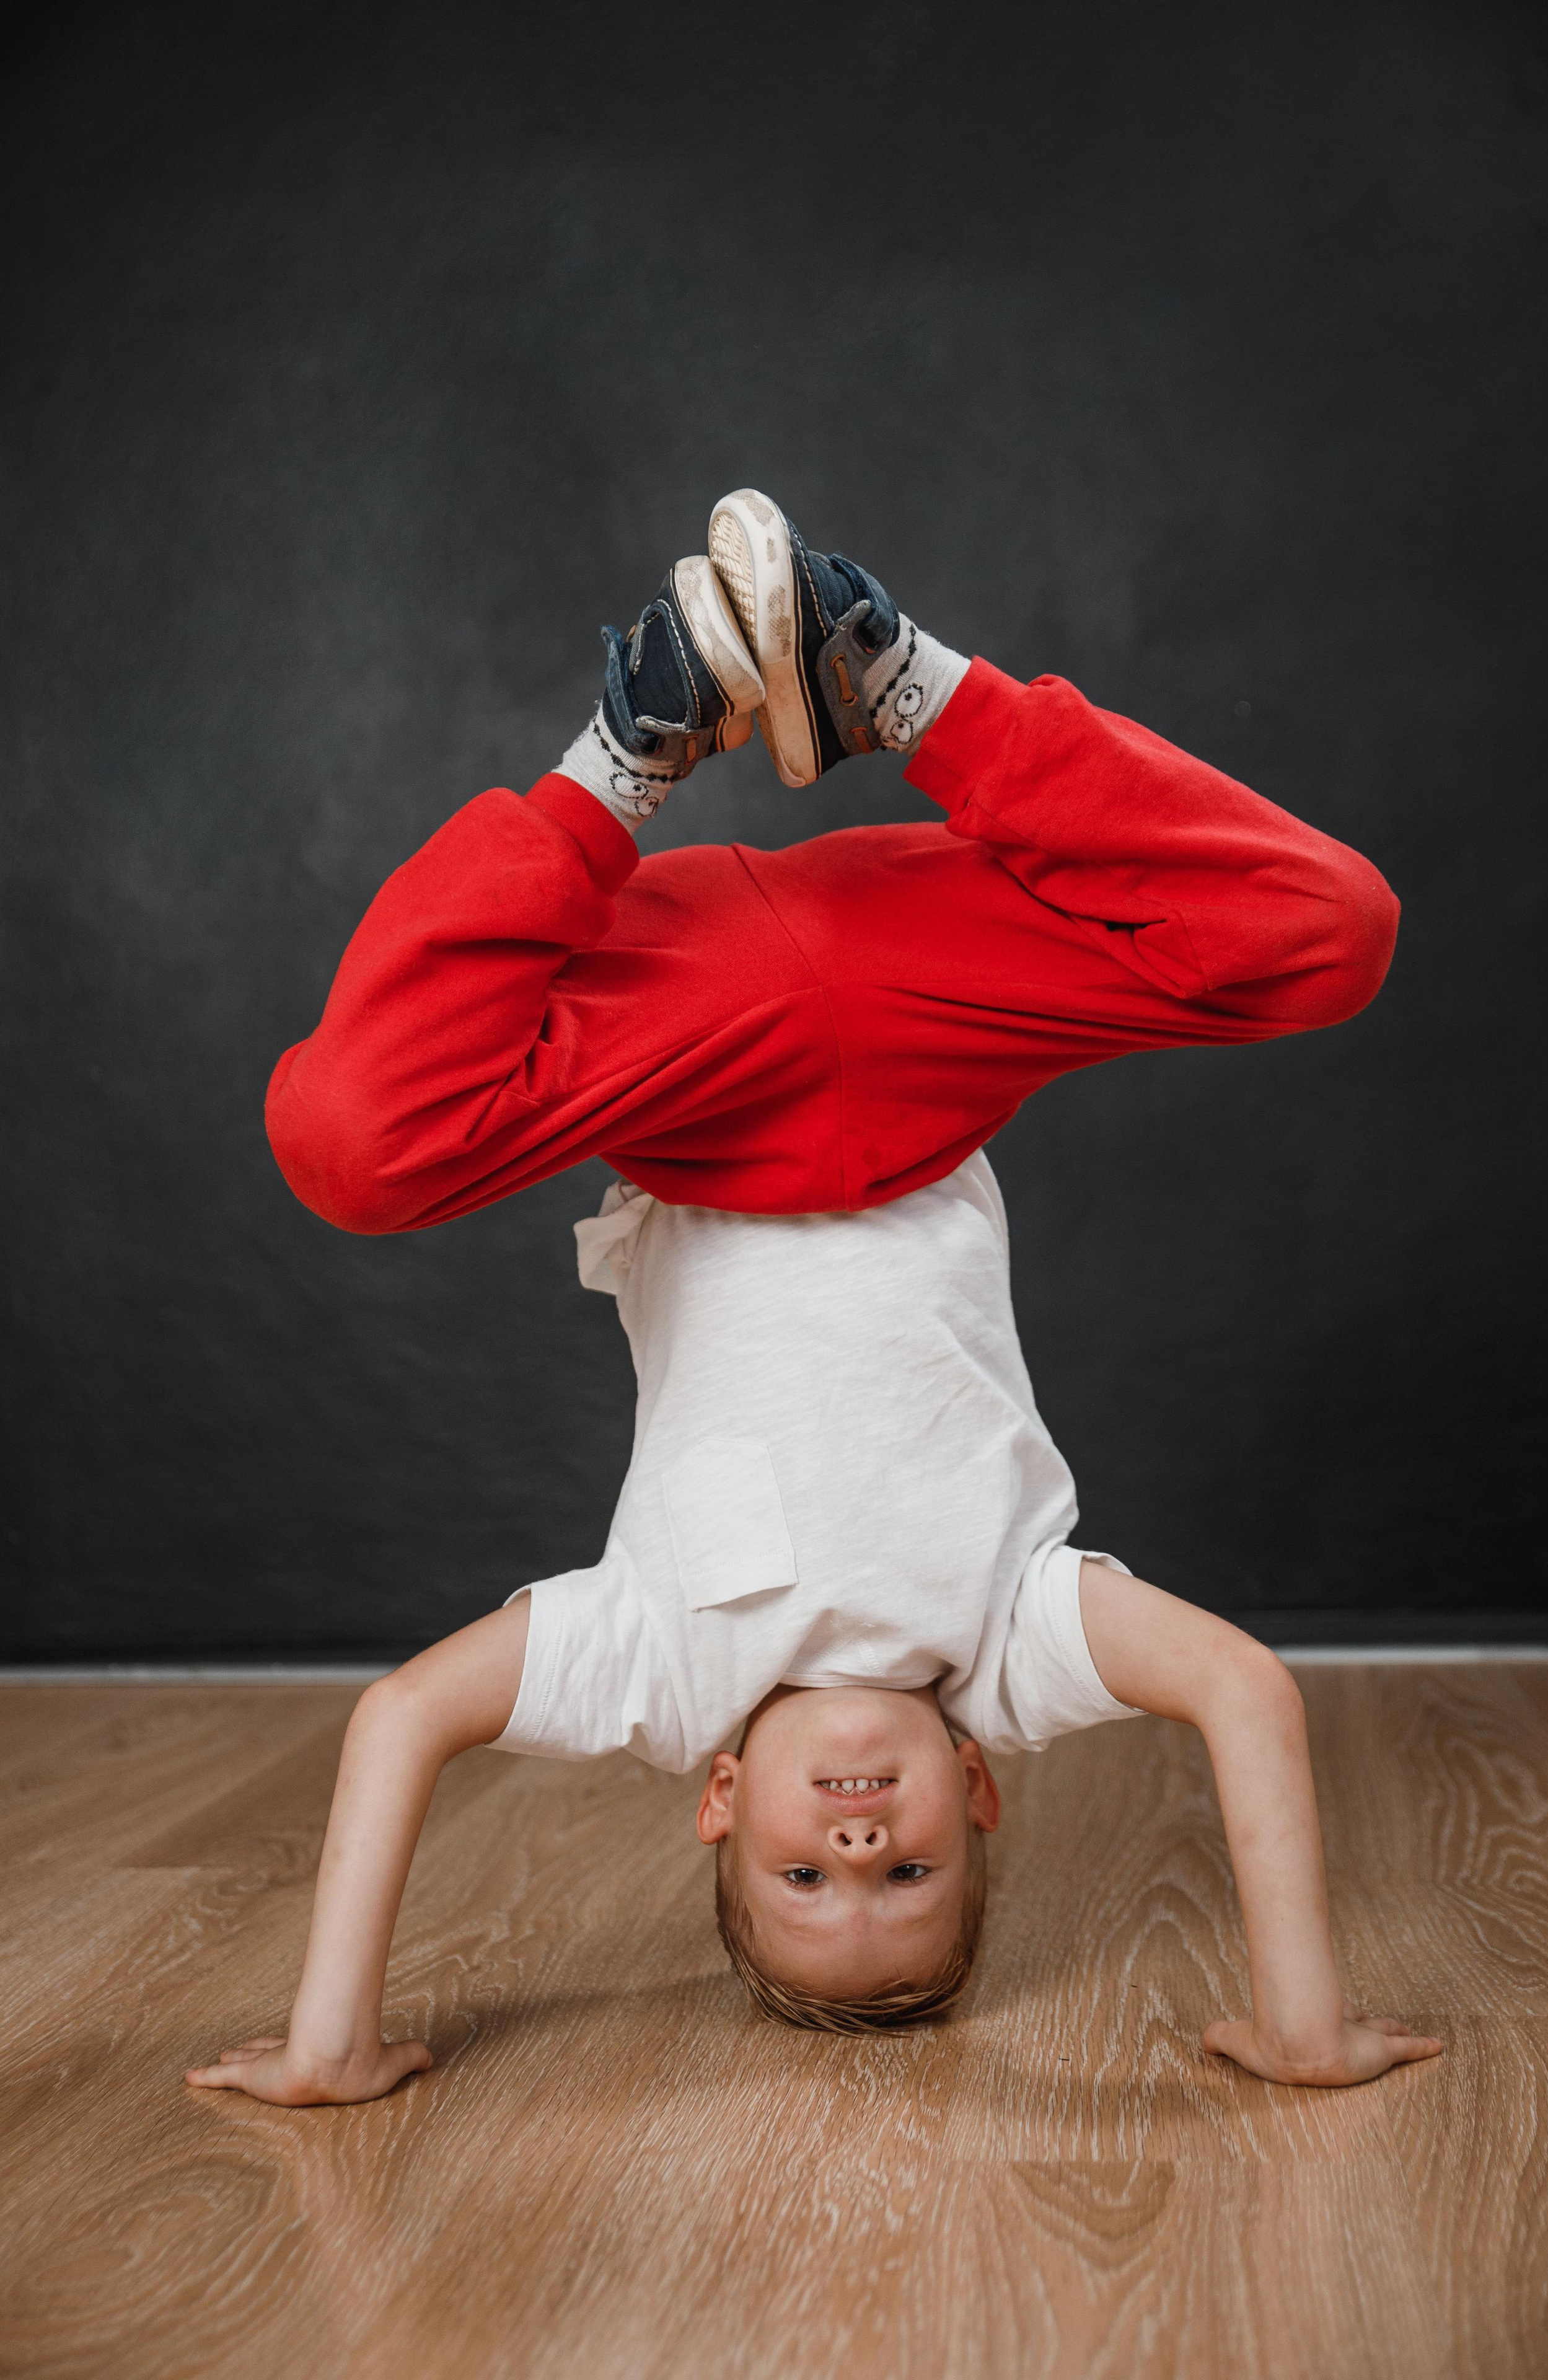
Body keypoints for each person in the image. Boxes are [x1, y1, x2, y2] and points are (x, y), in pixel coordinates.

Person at [187, 492, 1440, 2101]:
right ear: (978, 1796)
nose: (857, 1847)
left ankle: (635, 735)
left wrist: (331, 2042)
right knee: (1331, 931)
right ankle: (898, 682)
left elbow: (401, 1720)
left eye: (805, 1879)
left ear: (719, 1806)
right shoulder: (1012, 1645)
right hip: (929, 1012)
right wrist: (1301, 2025)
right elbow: (1242, 1690)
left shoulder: (654, 1673)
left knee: (349, 1146)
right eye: (908, 1878)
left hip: (693, 1064)